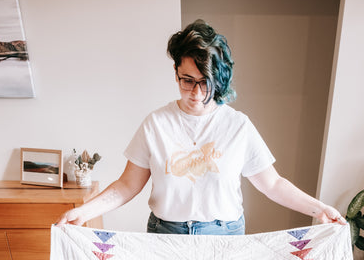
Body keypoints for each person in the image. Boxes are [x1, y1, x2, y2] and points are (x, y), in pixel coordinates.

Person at [56, 19, 346, 234]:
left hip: (225, 234)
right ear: (176, 74)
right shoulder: (156, 124)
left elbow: (273, 184)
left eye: (205, 82)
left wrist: (320, 209)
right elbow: (127, 185)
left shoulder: (238, 126)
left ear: (220, 79)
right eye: (187, 80)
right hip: (166, 233)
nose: (196, 92)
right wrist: (84, 211)